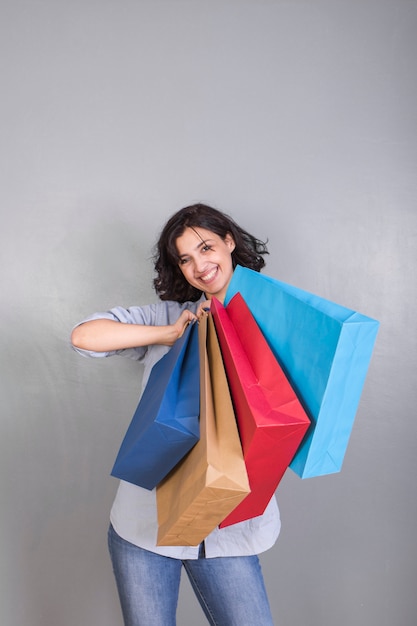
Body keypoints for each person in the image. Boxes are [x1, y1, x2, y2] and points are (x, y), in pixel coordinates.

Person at [71, 203, 281, 626]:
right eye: (185, 258)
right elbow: (83, 337)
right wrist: (171, 334)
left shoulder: (271, 321)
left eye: (206, 248)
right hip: (145, 527)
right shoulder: (170, 316)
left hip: (228, 529)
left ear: (229, 242)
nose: (199, 266)